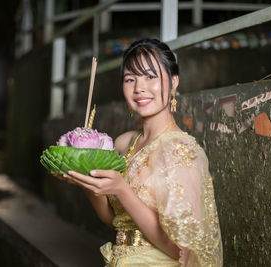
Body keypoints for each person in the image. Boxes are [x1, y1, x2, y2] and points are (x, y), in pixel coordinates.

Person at [62, 38, 223, 266]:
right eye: (130, 79)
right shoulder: (123, 143)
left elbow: (181, 250)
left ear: (174, 82)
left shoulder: (181, 151)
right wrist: (89, 184)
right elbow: (114, 220)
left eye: (151, 76)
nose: (139, 88)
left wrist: (121, 189)